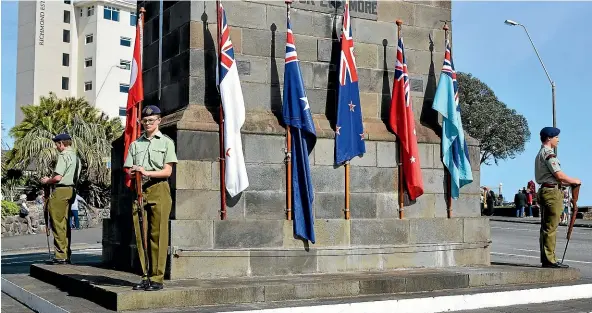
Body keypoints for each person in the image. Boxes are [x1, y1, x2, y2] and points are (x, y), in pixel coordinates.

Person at [123, 105, 177, 291]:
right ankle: (145, 275)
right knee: (141, 234)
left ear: (159, 121)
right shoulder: (135, 144)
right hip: (139, 190)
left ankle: (157, 277)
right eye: (144, 121)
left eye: (151, 120)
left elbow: (167, 171)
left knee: (158, 235)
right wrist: (134, 172)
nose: (147, 123)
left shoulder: (166, 142)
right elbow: (128, 170)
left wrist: (146, 172)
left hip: (159, 189)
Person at [535, 127, 581, 268]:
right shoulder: (549, 154)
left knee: (545, 227)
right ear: (549, 138)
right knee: (551, 227)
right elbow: (559, 176)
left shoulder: (540, 153)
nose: (558, 139)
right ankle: (550, 260)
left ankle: (546, 258)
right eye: (556, 137)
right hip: (551, 192)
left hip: (545, 189)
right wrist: (574, 180)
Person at [40, 133, 81, 264]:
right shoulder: (76, 157)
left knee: (57, 223)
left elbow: (58, 178)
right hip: (71, 190)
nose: (56, 147)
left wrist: (47, 181)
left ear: (61, 144)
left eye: (57, 144)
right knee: (65, 223)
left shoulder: (64, 156)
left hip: (62, 190)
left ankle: (60, 255)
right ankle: (66, 253)